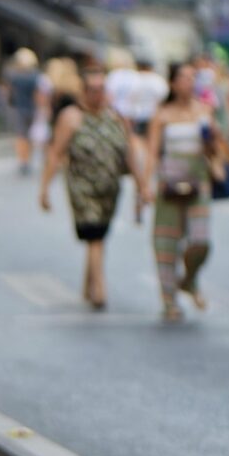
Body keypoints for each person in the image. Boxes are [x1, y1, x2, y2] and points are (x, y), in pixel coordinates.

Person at [39, 66, 148, 309]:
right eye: (93, 89)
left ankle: (88, 283)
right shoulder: (71, 117)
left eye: (102, 89)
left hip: (110, 186)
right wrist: (44, 189)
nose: (98, 94)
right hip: (82, 186)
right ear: (84, 91)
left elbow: (129, 153)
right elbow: (55, 153)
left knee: (98, 234)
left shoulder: (116, 116)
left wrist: (142, 185)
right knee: (94, 232)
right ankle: (99, 288)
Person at [146, 63, 227, 322]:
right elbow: (152, 152)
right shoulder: (162, 114)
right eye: (183, 77)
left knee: (200, 241)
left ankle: (189, 279)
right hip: (169, 182)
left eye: (193, 77)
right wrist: (145, 185)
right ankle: (169, 300)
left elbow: (215, 151)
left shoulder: (204, 111)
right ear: (173, 83)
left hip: (197, 180)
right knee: (166, 243)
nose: (189, 82)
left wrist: (213, 139)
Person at [5, 48, 47, 176]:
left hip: (19, 108)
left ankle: (23, 160)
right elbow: (39, 94)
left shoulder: (15, 76)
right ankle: (27, 159)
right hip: (32, 108)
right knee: (29, 136)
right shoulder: (36, 76)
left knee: (21, 135)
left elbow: (10, 93)